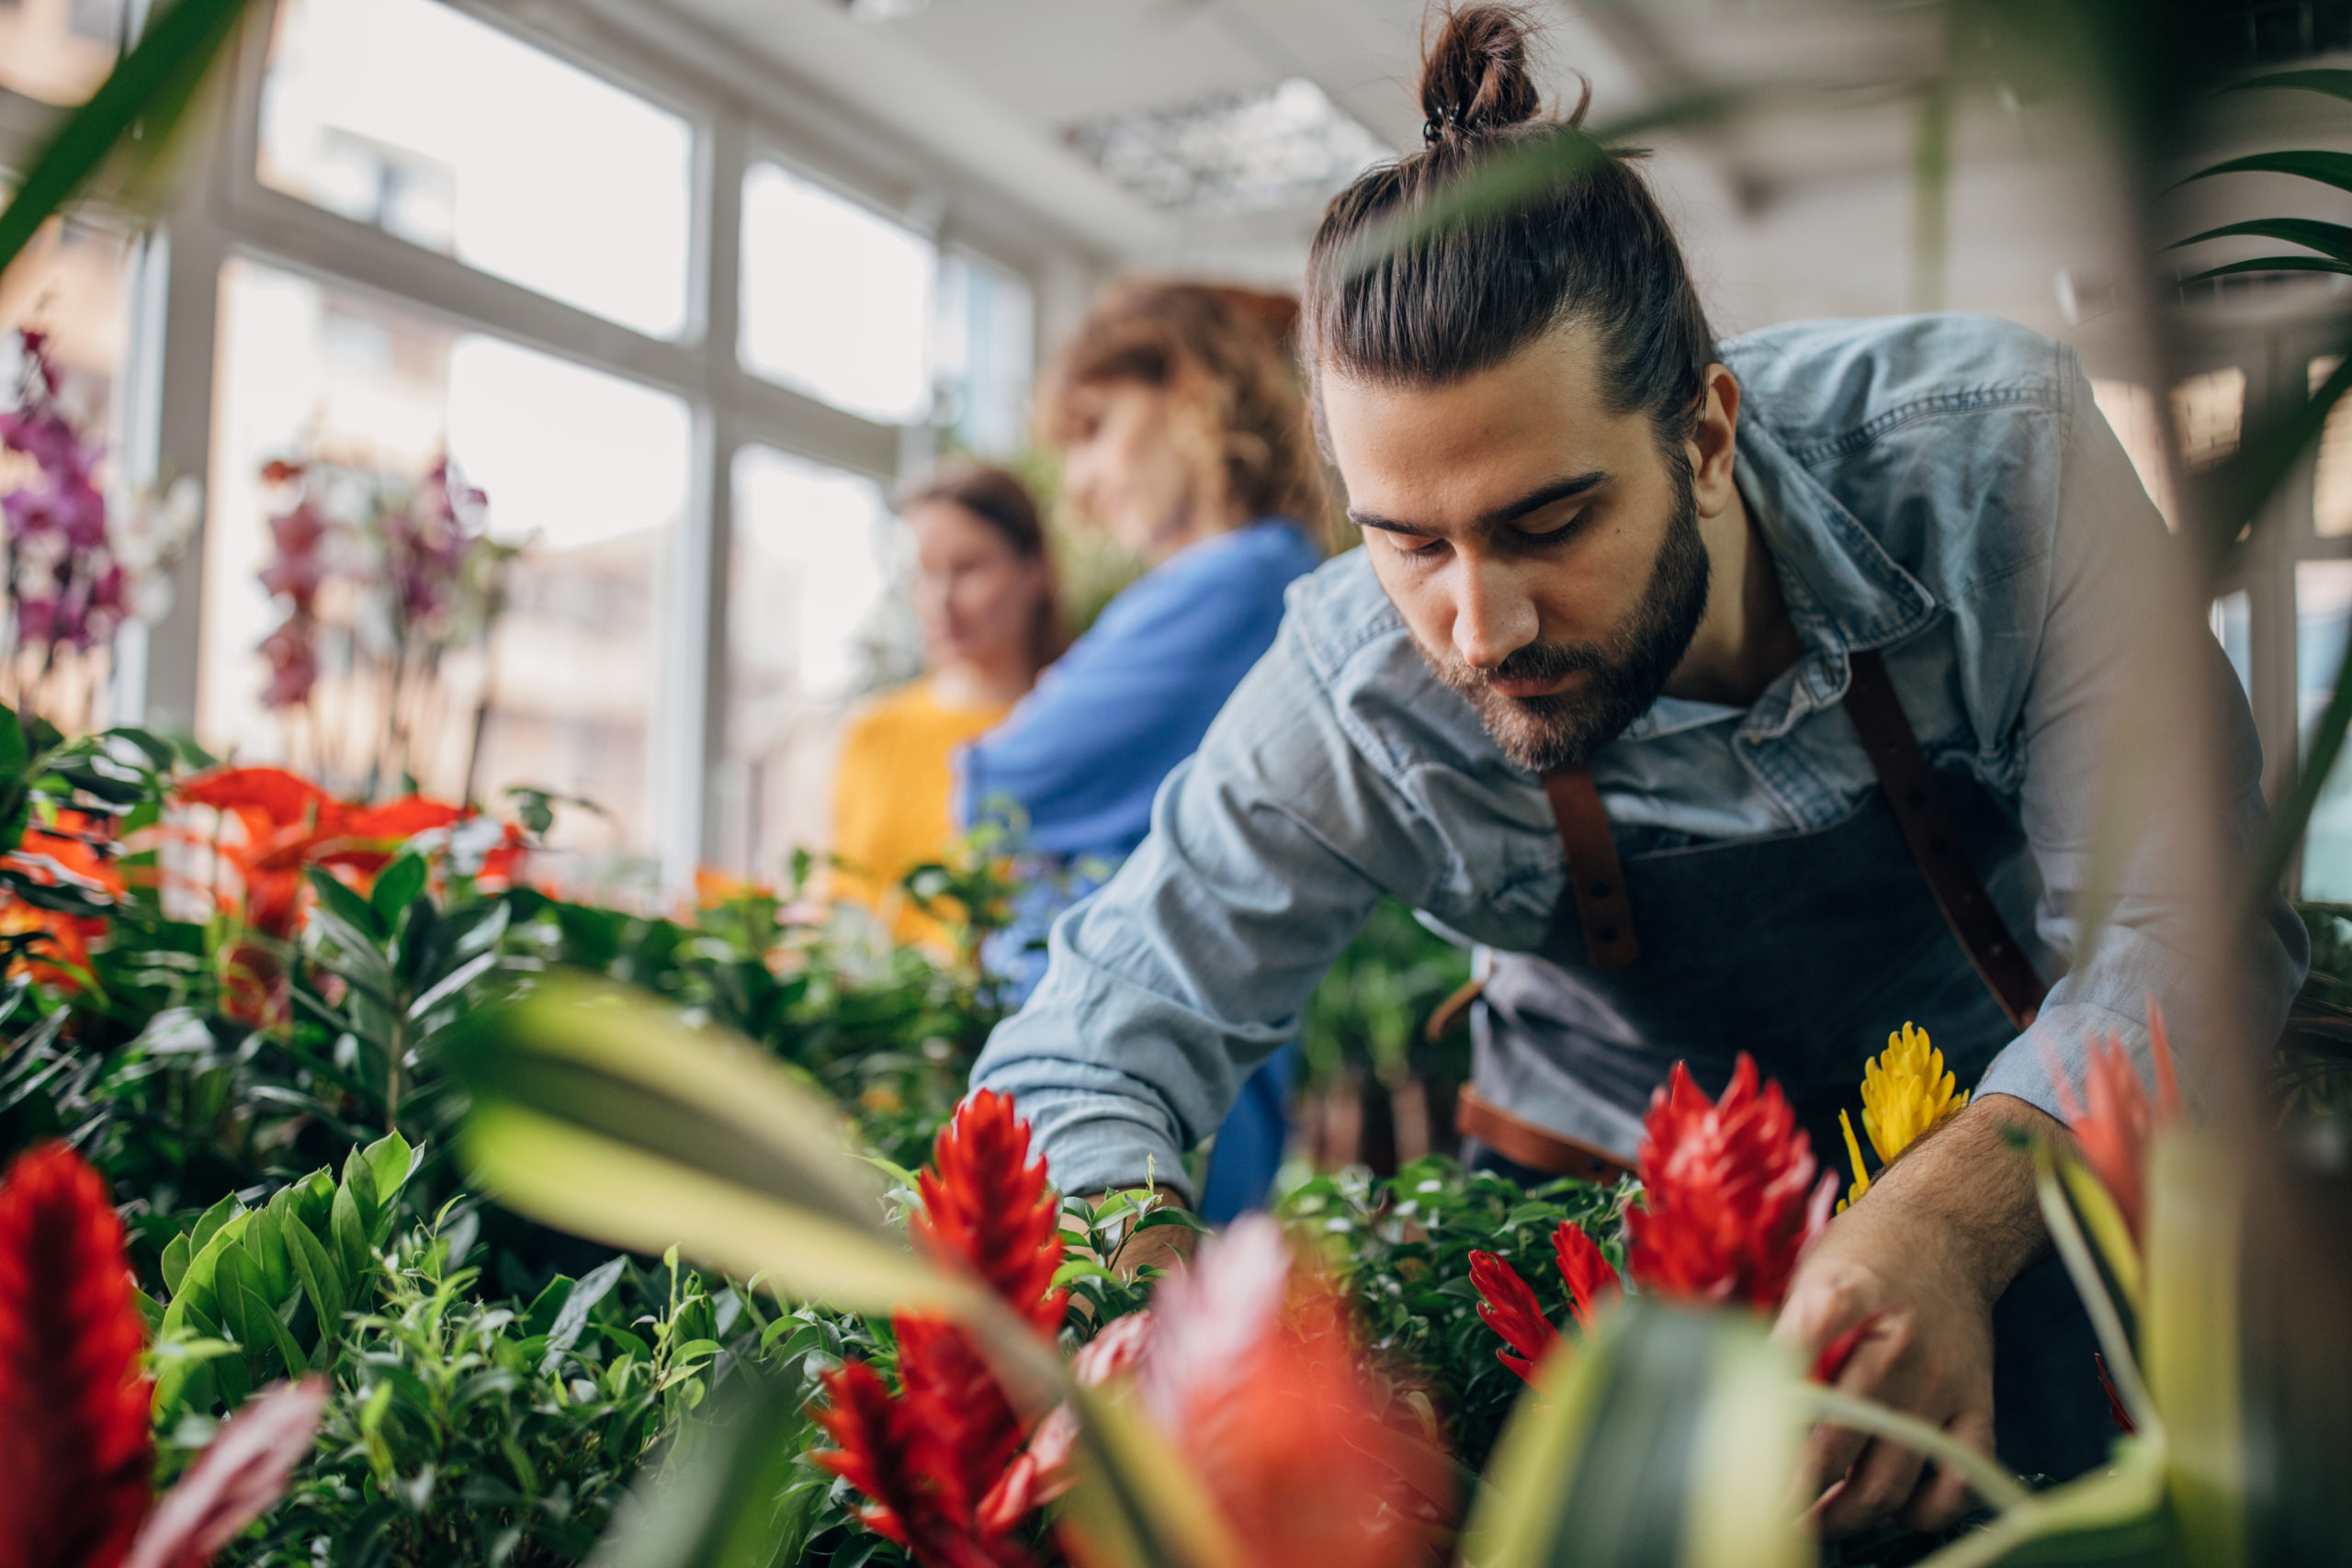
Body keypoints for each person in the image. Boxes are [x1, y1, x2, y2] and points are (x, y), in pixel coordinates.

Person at [971, 3, 2306, 1539]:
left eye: (1547, 523)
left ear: (1710, 436)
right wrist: (1146, 1308)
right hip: (1595, 1230)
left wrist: (1945, 1211)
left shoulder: (1988, 466)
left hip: (2010, 1168)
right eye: (1409, 542)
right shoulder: (1351, 688)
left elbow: (2192, 928)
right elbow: (1082, 1051)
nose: (1480, 625)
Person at [955, 281, 1327, 1220]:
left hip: (1141, 1052)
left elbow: (1002, 781)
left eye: (1094, 426)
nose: (1076, 480)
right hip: (1114, 1048)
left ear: (1191, 394)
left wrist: (1027, 724)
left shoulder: (1244, 578)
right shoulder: (1199, 583)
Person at [831, 459, 1057, 950]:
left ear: (1035, 570)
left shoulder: (1066, 730)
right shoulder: (872, 732)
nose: (940, 601)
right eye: (925, 574)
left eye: (967, 569)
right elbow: (842, 900)